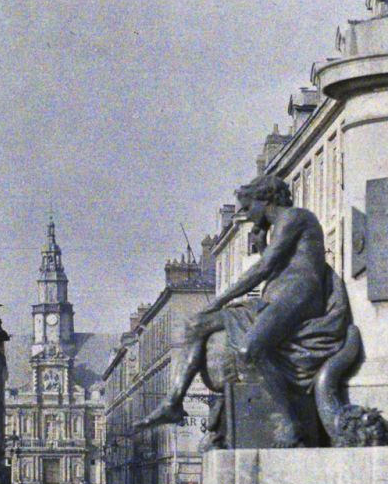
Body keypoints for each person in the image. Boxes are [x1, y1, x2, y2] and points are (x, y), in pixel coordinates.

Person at [144, 175, 345, 425]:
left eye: (249, 208)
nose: (247, 215)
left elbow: (265, 268)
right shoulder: (279, 228)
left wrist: (220, 300)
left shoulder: (295, 217)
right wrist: (262, 245)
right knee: (196, 324)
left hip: (299, 297)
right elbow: (277, 265)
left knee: (250, 350)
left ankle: (288, 422)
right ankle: (172, 402)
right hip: (275, 299)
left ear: (266, 200)